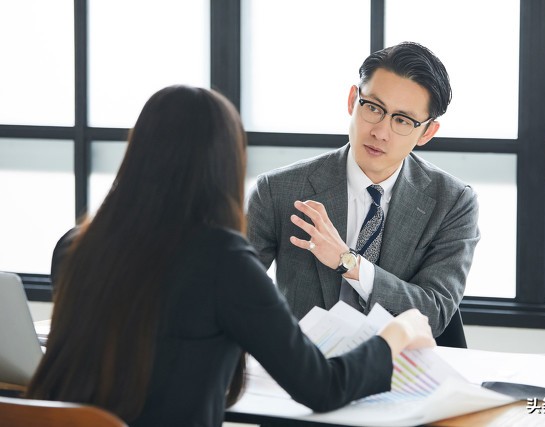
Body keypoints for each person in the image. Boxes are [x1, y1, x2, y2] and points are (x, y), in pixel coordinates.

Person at [26, 85, 435, 427]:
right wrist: (396, 334)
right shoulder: (223, 262)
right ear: (224, 163)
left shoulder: (76, 246)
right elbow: (323, 387)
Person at [247, 42, 480, 338]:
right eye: (373, 108)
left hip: (399, 370)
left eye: (402, 120)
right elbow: (233, 291)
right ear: (351, 101)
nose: (380, 132)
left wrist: (349, 262)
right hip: (305, 369)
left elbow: (433, 313)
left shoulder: (453, 202)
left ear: (427, 132)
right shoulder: (276, 190)